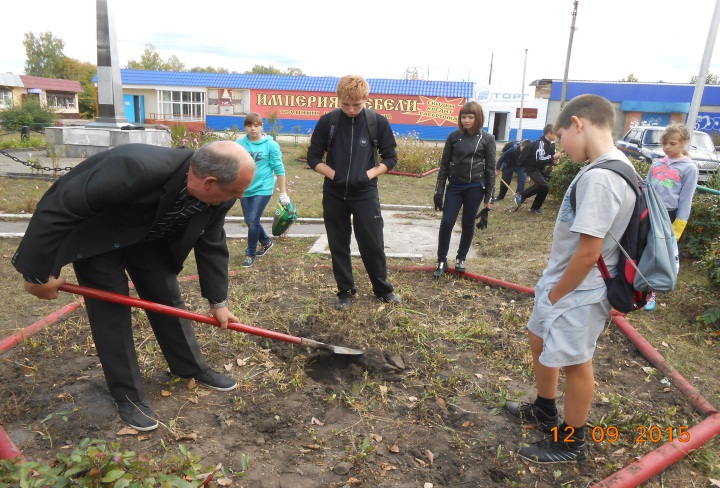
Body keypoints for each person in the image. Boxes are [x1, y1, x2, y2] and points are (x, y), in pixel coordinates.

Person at [12, 141, 256, 432]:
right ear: (210, 182)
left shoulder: (222, 194)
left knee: (167, 296)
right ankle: (128, 395)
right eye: (236, 192)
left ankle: (190, 366)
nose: (240, 197)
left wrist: (219, 303)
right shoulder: (135, 168)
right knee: (111, 309)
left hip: (150, 239)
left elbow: (212, 241)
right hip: (100, 238)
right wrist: (37, 275)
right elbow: (59, 206)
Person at [504, 94, 637, 463]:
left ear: (578, 123)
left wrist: (557, 294)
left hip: (581, 288)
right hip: (564, 281)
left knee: (577, 362)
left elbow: (588, 252)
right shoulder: (604, 166)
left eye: (561, 136)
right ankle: (545, 409)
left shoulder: (603, 178)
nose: (559, 145)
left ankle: (571, 442)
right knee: (539, 338)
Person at [306, 74, 401, 310]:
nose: (350, 109)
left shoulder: (377, 122)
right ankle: (345, 291)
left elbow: (391, 158)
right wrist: (334, 175)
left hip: (365, 194)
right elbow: (313, 157)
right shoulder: (328, 122)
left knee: (372, 243)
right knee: (338, 244)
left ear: (366, 99)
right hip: (334, 194)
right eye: (345, 104)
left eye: (356, 105)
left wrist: (367, 175)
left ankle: (382, 289)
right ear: (338, 99)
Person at [432, 101, 496, 277]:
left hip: (475, 187)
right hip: (455, 187)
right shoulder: (453, 137)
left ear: (478, 118)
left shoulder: (487, 139)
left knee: (468, 223)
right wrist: (438, 191)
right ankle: (441, 259)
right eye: (464, 117)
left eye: (471, 117)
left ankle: (461, 258)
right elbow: (444, 165)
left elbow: (490, 170)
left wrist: (489, 198)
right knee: (447, 222)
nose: (466, 120)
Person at [643, 124, 698, 311]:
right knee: (642, 247)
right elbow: (646, 188)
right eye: (664, 143)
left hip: (668, 215)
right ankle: (636, 282)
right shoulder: (657, 163)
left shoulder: (689, 168)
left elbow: (685, 199)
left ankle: (652, 292)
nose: (667, 147)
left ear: (684, 143)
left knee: (659, 254)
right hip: (648, 211)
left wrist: (678, 226)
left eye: (672, 143)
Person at [236, 113, 289, 268]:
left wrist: (283, 193)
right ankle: (266, 241)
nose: (253, 129)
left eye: (256, 125)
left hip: (263, 188)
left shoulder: (270, 145)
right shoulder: (239, 144)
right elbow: (233, 166)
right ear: (245, 126)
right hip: (245, 188)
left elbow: (279, 169)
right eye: (249, 125)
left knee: (252, 221)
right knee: (249, 220)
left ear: (261, 126)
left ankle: (250, 253)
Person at [514, 124, 564, 214]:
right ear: (549, 134)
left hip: (540, 168)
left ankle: (535, 208)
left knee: (545, 187)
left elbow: (551, 158)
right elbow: (539, 159)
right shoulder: (540, 143)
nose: (557, 136)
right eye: (555, 134)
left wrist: (556, 160)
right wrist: (553, 157)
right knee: (542, 184)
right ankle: (520, 195)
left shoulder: (552, 144)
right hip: (532, 167)